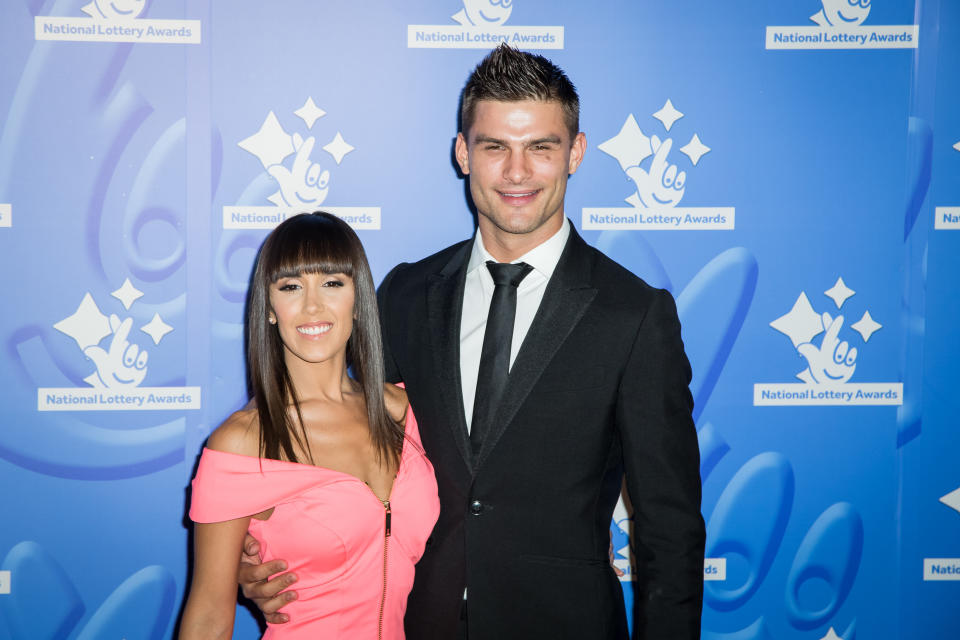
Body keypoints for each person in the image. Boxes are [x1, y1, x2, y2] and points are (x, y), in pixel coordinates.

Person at [239, 45, 705, 639]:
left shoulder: (634, 315)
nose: (517, 172)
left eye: (541, 147)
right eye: (494, 147)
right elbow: (344, 441)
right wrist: (258, 553)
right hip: (416, 624)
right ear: (463, 154)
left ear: (576, 154)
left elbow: (670, 526)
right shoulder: (404, 294)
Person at [179, 212, 440, 640]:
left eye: (333, 283)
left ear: (358, 301)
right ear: (268, 308)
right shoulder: (243, 441)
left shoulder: (407, 411)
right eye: (291, 287)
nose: (313, 306)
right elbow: (208, 615)